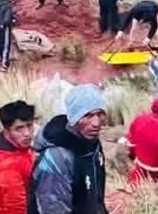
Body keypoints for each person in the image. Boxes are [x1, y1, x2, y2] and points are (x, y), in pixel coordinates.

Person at [29, 84, 107, 214]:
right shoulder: (56, 158)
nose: (96, 123)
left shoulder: (91, 144)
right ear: (74, 117)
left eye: (100, 114)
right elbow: (53, 209)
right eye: (87, 115)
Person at [0, 99, 36, 214]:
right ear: (7, 131)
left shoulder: (18, 150)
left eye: (29, 125)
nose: (27, 133)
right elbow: (16, 207)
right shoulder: (9, 165)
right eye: (19, 128)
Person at [121, 97, 158, 185]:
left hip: (140, 160)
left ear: (152, 107)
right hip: (156, 166)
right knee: (154, 182)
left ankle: (130, 187)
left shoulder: (140, 118)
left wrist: (132, 154)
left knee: (134, 179)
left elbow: (131, 140)